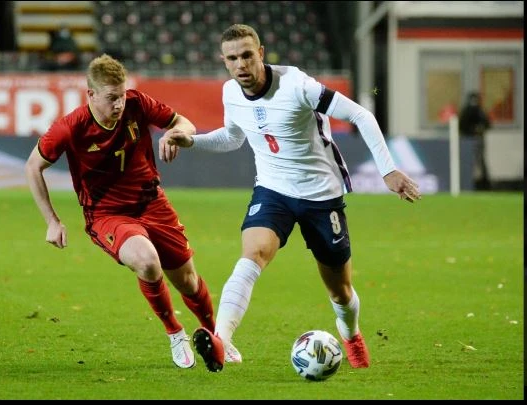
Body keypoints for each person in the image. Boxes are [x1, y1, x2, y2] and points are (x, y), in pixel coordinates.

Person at [159, 24, 422, 372]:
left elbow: (361, 114)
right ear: (224, 62)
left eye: (247, 55)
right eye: (233, 58)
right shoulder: (230, 93)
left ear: (261, 53)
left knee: (340, 291)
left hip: (321, 197)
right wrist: (193, 141)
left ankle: (352, 335)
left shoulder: (298, 86)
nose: (241, 65)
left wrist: (388, 169)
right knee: (252, 255)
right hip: (272, 191)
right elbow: (233, 138)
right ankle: (221, 340)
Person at [25, 53, 239, 369]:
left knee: (189, 282)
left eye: (122, 95)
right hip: (108, 215)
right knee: (147, 261)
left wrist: (175, 134)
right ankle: (175, 333)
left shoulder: (137, 103)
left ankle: (216, 335)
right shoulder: (71, 128)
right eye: (112, 98)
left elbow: (183, 122)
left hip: (153, 203)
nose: (119, 104)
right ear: (91, 95)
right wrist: (52, 221)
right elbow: (33, 166)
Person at [458, 92, 492, 190]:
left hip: (477, 139)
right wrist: (472, 130)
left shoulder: (480, 111)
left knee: (480, 162)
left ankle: (483, 185)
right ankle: (468, 184)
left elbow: (487, 124)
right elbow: (462, 126)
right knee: (469, 162)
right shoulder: (468, 111)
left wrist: (479, 129)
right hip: (468, 141)